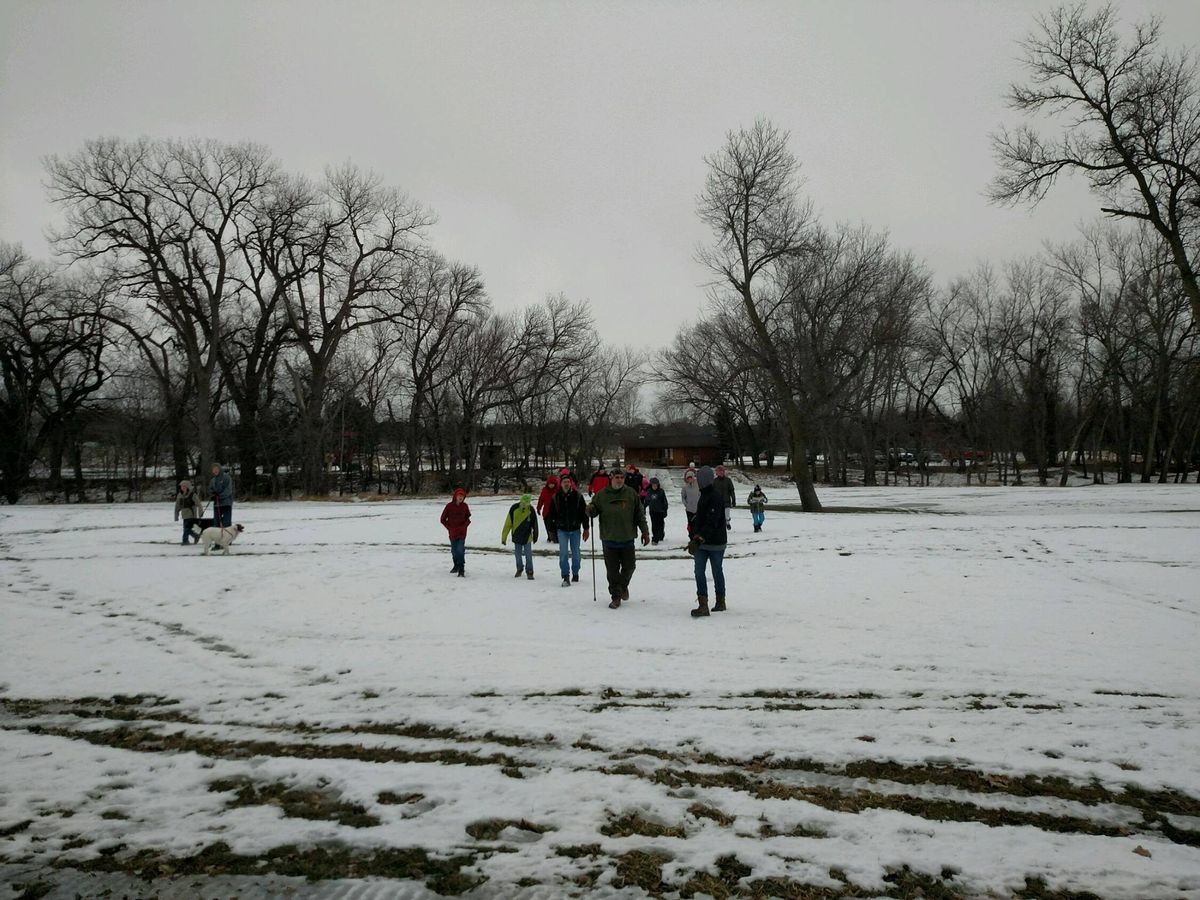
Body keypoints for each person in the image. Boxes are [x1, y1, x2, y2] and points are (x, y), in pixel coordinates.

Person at [587, 467, 650, 609]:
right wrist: (590, 509)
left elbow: (639, 514)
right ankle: (615, 596)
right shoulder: (602, 495)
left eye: (622, 477)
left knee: (630, 567)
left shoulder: (631, 493)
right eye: (617, 477)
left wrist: (645, 532)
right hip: (609, 539)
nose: (620, 480)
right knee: (612, 572)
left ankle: (622, 586)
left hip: (627, 538)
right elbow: (594, 510)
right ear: (611, 478)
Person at [687, 465, 728, 617]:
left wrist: (699, 538)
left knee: (717, 571)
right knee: (699, 571)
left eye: (699, 479)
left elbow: (713, 521)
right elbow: (701, 520)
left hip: (716, 543)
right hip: (701, 543)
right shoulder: (703, 496)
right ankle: (703, 604)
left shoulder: (715, 497)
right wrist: (694, 535)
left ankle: (720, 601)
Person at [548, 474, 590, 586]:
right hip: (562, 530)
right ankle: (565, 576)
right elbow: (551, 515)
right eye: (564, 482)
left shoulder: (578, 496)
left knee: (576, 554)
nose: (566, 484)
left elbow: (584, 513)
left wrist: (586, 528)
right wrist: (551, 530)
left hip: (575, 529)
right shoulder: (555, 497)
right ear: (560, 484)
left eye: (568, 481)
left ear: (570, 483)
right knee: (563, 554)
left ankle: (575, 572)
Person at [501, 493, 539, 580]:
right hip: (516, 536)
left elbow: (535, 524)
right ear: (521, 501)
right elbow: (508, 523)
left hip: (527, 537)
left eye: (528, 502)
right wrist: (504, 537)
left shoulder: (531, 510)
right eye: (526, 502)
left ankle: (530, 571)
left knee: (528, 555)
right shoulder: (514, 508)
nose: (527, 504)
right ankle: (519, 568)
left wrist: (535, 535)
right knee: (517, 555)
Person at [440, 487, 471, 576]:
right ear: (455, 496)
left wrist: (464, 526)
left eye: (462, 496)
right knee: (454, 551)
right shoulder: (449, 506)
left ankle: (461, 569)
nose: (461, 497)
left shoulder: (465, 506)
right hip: (453, 532)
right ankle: (456, 565)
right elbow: (442, 519)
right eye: (459, 495)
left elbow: (468, 518)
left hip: (462, 532)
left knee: (460, 550)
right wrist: (449, 527)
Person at [173, 480, 204, 545]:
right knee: (187, 528)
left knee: (186, 528)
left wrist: (200, 513)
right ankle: (195, 536)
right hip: (184, 515)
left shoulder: (193, 495)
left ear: (188, 487)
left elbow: (199, 504)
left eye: (184, 486)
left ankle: (185, 540)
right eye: (181, 486)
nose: (182, 487)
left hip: (191, 514)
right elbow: (177, 506)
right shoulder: (179, 495)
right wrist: (176, 515)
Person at [535, 474, 560, 543]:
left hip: (556, 512)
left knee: (556, 525)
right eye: (550, 484)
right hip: (547, 511)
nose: (551, 485)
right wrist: (538, 508)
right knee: (548, 525)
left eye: (553, 484)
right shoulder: (544, 490)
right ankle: (550, 536)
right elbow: (541, 499)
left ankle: (556, 537)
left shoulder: (558, 491)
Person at [644, 476, 668, 545]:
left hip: (660, 511)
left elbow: (664, 502)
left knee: (660, 524)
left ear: (658, 485)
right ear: (651, 485)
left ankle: (661, 535)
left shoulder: (661, 491)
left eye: (656, 485)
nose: (654, 486)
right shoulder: (649, 492)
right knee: (654, 525)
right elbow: (647, 501)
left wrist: (665, 510)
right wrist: (644, 507)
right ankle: (655, 539)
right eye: (653, 485)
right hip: (653, 511)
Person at [209, 462, 234, 528]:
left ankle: (227, 537)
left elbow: (228, 490)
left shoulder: (226, 477)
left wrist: (219, 496)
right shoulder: (213, 480)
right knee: (216, 523)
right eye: (213, 469)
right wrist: (212, 495)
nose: (215, 471)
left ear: (219, 469)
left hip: (226, 503)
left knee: (226, 523)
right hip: (217, 504)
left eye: (216, 469)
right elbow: (210, 490)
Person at [713, 464, 736, 530]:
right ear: (717, 472)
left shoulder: (728, 480)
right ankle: (720, 525)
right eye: (719, 471)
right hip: (717, 502)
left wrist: (733, 500)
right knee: (719, 515)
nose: (721, 472)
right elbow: (712, 492)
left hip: (726, 501)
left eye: (722, 471)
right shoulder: (714, 481)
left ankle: (727, 523)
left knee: (727, 514)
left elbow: (732, 490)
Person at [680, 469, 700, 536]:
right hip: (689, 509)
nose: (689, 479)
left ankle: (697, 536)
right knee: (690, 524)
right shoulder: (685, 487)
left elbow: (701, 495)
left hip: (698, 509)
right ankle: (691, 536)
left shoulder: (698, 485)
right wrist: (686, 504)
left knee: (697, 523)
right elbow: (683, 497)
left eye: (690, 478)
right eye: (688, 478)